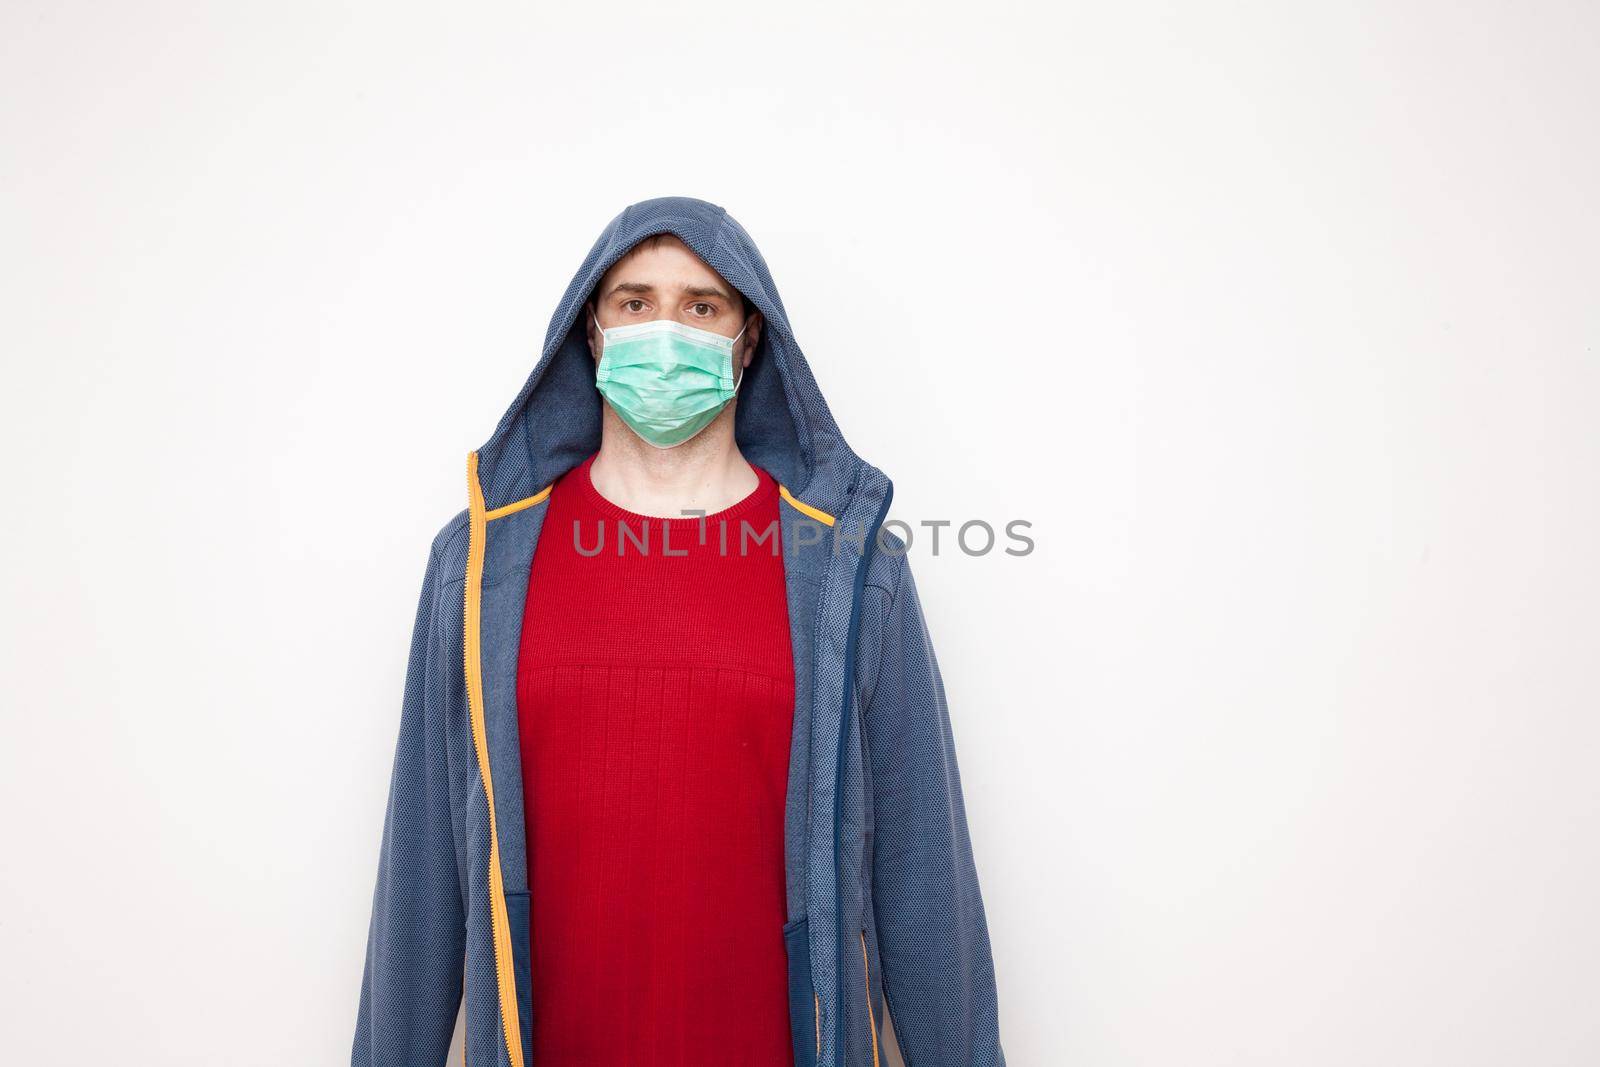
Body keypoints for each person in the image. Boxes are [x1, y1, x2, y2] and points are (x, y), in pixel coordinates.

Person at [351, 196, 1006, 1067]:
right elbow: (423, 877)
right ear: (591, 329)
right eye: (635, 302)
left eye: (702, 306)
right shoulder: (478, 566)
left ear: (748, 339)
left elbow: (926, 873)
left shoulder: (848, 568)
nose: (667, 329)